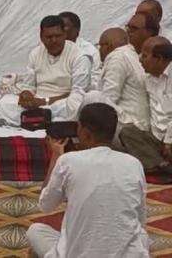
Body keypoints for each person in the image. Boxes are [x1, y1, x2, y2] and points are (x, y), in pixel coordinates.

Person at [27, 103, 149, 258]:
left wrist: (55, 156)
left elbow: (45, 205)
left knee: (35, 230)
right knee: (142, 236)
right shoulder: (134, 164)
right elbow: (140, 218)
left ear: (85, 133)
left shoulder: (68, 161)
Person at [0, 15, 91, 125]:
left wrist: (45, 101)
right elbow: (29, 86)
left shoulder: (79, 56)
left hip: (63, 103)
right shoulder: (35, 53)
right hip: (37, 103)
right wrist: (26, 94)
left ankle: (34, 119)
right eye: (49, 37)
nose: (54, 40)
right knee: (4, 103)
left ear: (65, 34)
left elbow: (78, 93)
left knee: (77, 104)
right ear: (41, 37)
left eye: (58, 36)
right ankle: (41, 119)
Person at [120, 36, 172, 174]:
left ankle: (158, 166)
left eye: (144, 56)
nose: (140, 60)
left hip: (170, 138)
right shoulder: (148, 79)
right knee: (127, 132)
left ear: (159, 59)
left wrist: (169, 141)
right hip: (157, 139)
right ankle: (161, 165)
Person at [98, 13, 158, 132]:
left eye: (134, 29)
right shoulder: (134, 55)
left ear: (149, 32)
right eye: (128, 28)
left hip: (129, 129)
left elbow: (107, 102)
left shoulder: (119, 55)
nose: (129, 32)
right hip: (140, 127)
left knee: (92, 98)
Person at [59, 11, 101, 89]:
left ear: (77, 30)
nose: (60, 30)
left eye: (64, 26)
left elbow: (96, 81)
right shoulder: (48, 48)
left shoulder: (89, 51)